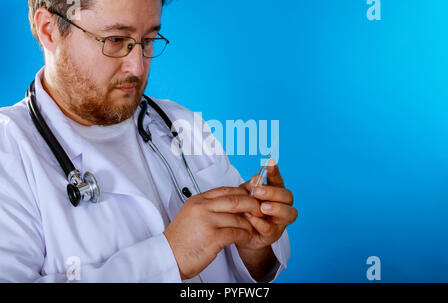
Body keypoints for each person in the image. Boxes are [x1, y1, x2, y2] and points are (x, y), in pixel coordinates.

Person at [0, 0, 297, 282]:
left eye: (148, 41)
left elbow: (250, 271)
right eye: (116, 40)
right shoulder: (9, 149)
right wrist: (169, 258)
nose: (137, 68)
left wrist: (253, 244)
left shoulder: (182, 124)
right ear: (49, 29)